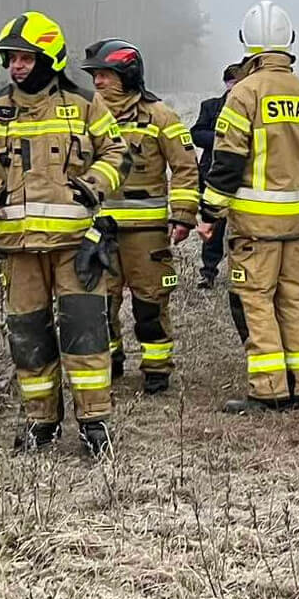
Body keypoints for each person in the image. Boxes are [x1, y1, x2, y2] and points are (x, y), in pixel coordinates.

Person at [0, 11, 130, 455]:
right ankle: (40, 424)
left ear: (49, 58)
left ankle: (94, 424)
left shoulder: (86, 105)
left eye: (25, 58)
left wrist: (91, 187)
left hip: (75, 249)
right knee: (29, 338)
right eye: (10, 58)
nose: (16, 66)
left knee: (85, 336)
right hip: (19, 248)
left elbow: (117, 152)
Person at [199, 1, 299, 414]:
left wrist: (209, 215)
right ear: (288, 43)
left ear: (247, 44)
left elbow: (227, 162)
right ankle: (297, 385)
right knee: (291, 301)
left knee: (256, 304)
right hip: (295, 224)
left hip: (255, 227)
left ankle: (268, 390)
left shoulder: (244, 94)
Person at [79, 39, 198, 395]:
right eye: (96, 76)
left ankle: (157, 369)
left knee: (150, 304)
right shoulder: (83, 113)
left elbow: (185, 167)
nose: (98, 83)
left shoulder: (160, 115)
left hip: (146, 233)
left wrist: (183, 216)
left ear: (128, 76)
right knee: (100, 302)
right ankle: (110, 360)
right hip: (98, 229)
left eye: (105, 75)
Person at [189, 62, 240, 294]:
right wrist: (223, 140)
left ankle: (241, 273)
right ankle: (208, 272)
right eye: (232, 83)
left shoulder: (253, 108)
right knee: (213, 225)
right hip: (212, 174)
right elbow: (196, 134)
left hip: (243, 179)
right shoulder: (210, 107)